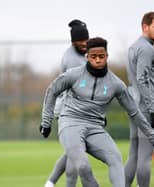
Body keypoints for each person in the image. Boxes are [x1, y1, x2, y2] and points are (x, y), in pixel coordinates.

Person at [39, 37, 154, 187]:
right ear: (87, 57)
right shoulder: (73, 75)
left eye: (101, 56)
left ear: (107, 56)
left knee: (115, 158)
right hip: (70, 123)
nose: (98, 60)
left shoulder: (116, 84)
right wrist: (46, 121)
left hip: (95, 127)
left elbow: (134, 112)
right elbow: (52, 90)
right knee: (83, 166)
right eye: (94, 57)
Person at [44, 19, 89, 187]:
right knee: (75, 155)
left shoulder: (80, 54)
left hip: (76, 110)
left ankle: (50, 183)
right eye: (81, 41)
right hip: (68, 111)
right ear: (73, 41)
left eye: (86, 40)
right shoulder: (73, 60)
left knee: (72, 152)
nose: (85, 44)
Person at [124, 11, 154, 187]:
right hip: (146, 108)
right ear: (145, 27)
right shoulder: (147, 48)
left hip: (133, 104)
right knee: (145, 156)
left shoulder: (133, 47)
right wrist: (153, 108)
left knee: (134, 154)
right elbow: (142, 79)